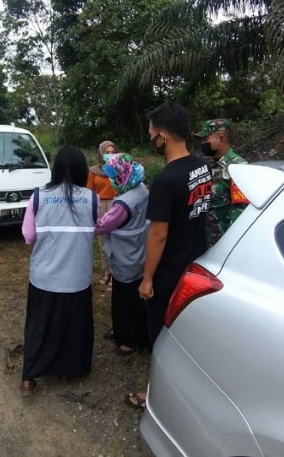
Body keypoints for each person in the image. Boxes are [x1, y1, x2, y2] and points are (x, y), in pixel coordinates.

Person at [127, 103, 213, 410]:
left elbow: (158, 235)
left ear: (162, 137)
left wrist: (147, 278)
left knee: (162, 335)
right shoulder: (202, 166)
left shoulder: (166, 180)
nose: (151, 138)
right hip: (197, 262)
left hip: (169, 271)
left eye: (152, 133)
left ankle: (158, 394)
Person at [20, 146, 98, 395]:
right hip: (77, 279)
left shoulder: (39, 196)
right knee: (72, 326)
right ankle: (68, 371)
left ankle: (29, 378)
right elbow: (96, 230)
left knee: (39, 326)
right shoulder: (91, 198)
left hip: (44, 278)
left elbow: (28, 237)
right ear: (82, 170)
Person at [95, 153, 150, 356]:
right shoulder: (141, 188)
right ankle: (137, 334)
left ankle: (126, 340)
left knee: (123, 301)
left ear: (121, 174)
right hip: (139, 252)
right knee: (137, 298)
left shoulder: (123, 203)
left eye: (112, 175)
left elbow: (101, 226)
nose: (111, 180)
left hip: (124, 257)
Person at [194, 118, 248, 246]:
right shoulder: (209, 164)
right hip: (206, 240)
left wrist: (228, 246)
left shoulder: (237, 168)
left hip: (222, 244)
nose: (203, 143)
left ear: (221, 139)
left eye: (206, 139)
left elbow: (240, 212)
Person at [87, 140, 117, 287]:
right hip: (100, 206)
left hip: (116, 206)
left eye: (112, 152)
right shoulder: (93, 171)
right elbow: (89, 192)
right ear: (101, 154)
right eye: (107, 152)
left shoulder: (119, 168)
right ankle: (107, 271)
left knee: (116, 240)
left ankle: (115, 273)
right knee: (103, 242)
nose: (110, 155)